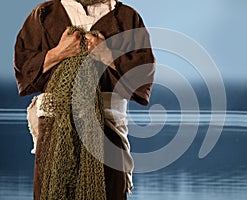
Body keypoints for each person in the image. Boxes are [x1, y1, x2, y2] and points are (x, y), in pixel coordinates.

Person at [14, 0, 155, 199]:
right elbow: (24, 69)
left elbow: (143, 78)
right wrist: (58, 53)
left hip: (108, 129)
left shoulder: (126, 17)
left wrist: (107, 55)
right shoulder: (44, 13)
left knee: (109, 191)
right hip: (54, 128)